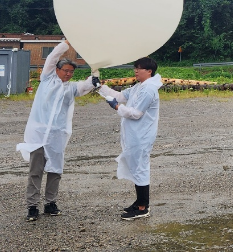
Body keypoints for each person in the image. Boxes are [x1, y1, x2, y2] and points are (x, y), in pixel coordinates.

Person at [16, 41, 98, 222]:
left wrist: (94, 79)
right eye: (65, 70)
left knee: (55, 170)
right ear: (57, 70)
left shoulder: (70, 88)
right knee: (35, 171)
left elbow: (84, 87)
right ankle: (32, 206)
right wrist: (65, 44)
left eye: (71, 72)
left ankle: (50, 203)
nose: (68, 74)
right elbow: (52, 58)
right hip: (38, 134)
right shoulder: (47, 79)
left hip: (57, 136)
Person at [98, 57, 162, 220]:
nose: (135, 71)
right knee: (136, 167)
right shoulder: (138, 87)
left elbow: (136, 113)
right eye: (135, 68)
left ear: (149, 71)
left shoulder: (148, 89)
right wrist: (100, 86)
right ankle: (140, 202)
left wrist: (117, 107)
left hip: (142, 135)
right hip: (135, 134)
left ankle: (142, 207)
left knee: (140, 168)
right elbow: (119, 95)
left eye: (139, 69)